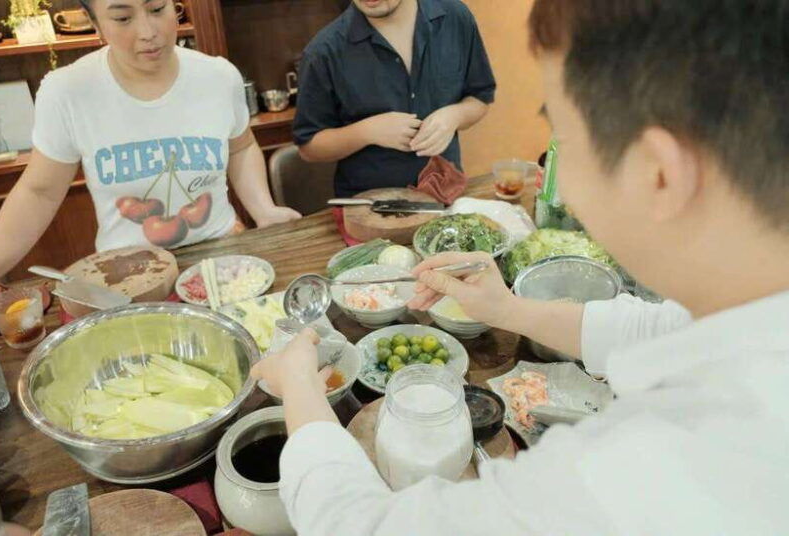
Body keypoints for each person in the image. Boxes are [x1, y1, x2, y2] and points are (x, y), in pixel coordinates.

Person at [252, 0, 789, 534]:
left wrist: (300, 386)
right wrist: (506, 308)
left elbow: (359, 526)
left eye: (564, 144)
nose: (560, 180)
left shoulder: (647, 468)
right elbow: (659, 328)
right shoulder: (752, 319)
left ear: (659, 174)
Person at [0, 0, 300, 282]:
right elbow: (40, 192)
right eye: (123, 18)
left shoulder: (218, 75)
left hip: (221, 260)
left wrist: (263, 209)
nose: (148, 32)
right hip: (128, 274)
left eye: (157, 9)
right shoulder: (68, 91)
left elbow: (241, 147)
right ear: (95, 22)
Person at [292, 0, 496, 197]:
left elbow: (480, 97)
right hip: (370, 207)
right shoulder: (323, 52)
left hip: (446, 193)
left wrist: (454, 116)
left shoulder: (455, 17)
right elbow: (309, 148)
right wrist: (367, 131)